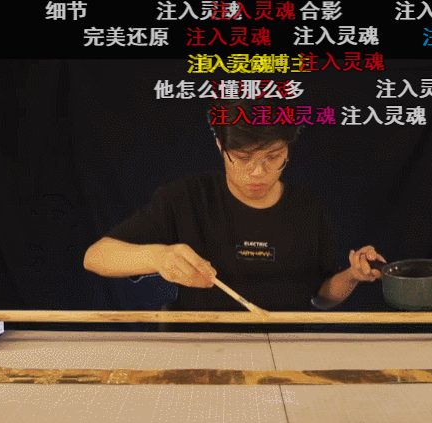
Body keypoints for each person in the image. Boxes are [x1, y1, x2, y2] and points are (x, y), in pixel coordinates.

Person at [83, 99, 386, 330]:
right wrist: (159, 257)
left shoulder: (307, 208)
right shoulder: (186, 198)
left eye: (273, 157)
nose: (258, 172)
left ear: (288, 150)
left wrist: (353, 276)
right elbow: (96, 256)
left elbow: (321, 296)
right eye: (243, 158)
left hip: (286, 348)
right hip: (200, 348)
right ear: (220, 146)